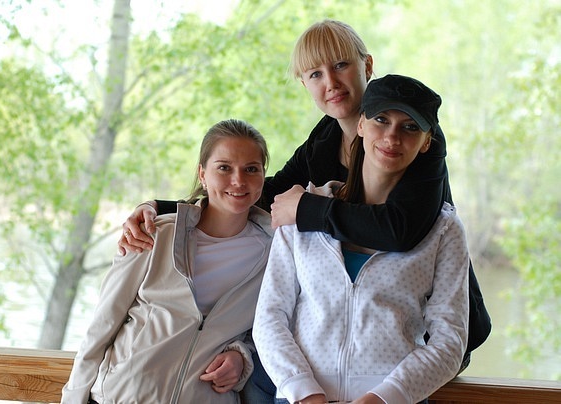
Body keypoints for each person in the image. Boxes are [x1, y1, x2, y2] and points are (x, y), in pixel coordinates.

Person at [117, 19, 489, 400]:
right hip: (330, 353)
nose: (331, 82)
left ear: (367, 66)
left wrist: (307, 210)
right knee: (259, 372)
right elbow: (262, 194)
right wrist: (165, 208)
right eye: (315, 74)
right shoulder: (325, 139)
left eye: (341, 65)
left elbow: (399, 230)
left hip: (423, 333)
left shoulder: (413, 138)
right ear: (304, 84)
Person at [253, 74, 469, 404]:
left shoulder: (444, 230)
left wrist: (384, 398)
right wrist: (304, 392)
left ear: (426, 142)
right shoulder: (300, 211)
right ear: (361, 125)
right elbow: (270, 318)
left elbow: (450, 340)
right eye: (381, 120)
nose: (392, 136)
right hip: (300, 397)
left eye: (410, 127)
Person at [61, 119, 273, 404]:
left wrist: (241, 356)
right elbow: (103, 324)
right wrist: (74, 398)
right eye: (224, 167)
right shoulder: (155, 234)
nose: (238, 180)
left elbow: (268, 330)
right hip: (123, 396)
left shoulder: (275, 254)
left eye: (251, 169)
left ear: (263, 176)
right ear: (202, 174)